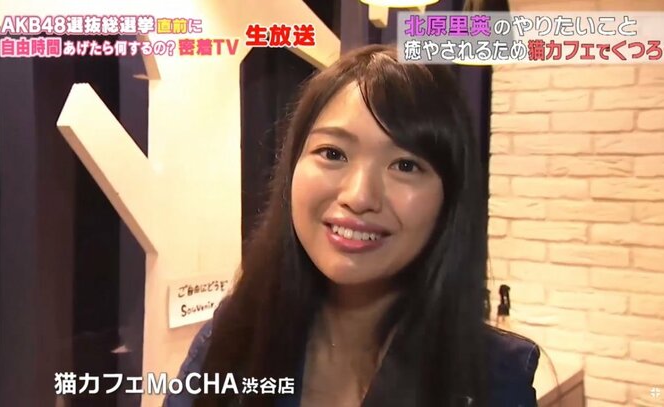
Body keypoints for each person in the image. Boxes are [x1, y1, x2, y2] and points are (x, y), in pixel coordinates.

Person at [164, 44, 539, 407]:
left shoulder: (494, 382)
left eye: (405, 165)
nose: (359, 196)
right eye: (333, 153)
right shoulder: (234, 334)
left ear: (450, 198)